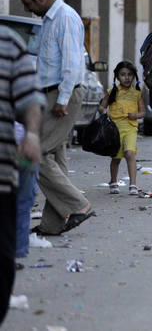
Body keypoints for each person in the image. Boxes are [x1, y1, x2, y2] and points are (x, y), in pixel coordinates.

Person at [18, 0, 95, 235]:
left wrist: (62, 99)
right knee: (55, 158)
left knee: (35, 153)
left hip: (62, 96)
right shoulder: (50, 20)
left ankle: (79, 205)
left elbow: (72, 62)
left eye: (28, 3)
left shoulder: (65, 17)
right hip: (49, 95)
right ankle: (53, 224)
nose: (28, 9)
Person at [1, 26, 43, 325]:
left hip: (2, 174)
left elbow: (30, 98)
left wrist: (32, 134)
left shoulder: (8, 43)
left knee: (2, 261)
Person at [99, 61, 145, 196]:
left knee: (130, 153)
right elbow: (102, 107)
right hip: (115, 130)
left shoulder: (136, 94)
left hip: (131, 128)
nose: (127, 78)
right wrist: (104, 112)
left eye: (130, 74)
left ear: (134, 76)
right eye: (123, 74)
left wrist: (135, 115)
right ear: (117, 77)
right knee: (116, 157)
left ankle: (133, 184)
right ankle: (113, 181)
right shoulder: (112, 92)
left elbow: (143, 112)